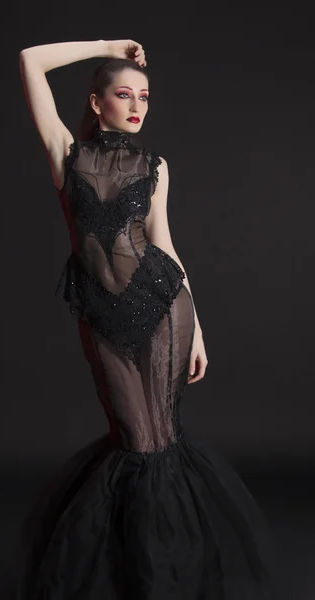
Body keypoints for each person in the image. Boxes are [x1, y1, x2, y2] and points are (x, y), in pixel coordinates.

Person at [15, 39, 277, 599]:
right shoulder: (66, 152)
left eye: (144, 97)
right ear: (96, 100)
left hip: (163, 308)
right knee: (134, 441)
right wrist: (109, 46)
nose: (137, 106)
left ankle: (166, 582)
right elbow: (30, 60)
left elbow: (165, 245)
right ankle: (130, 577)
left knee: (159, 444)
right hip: (101, 315)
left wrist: (198, 328)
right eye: (124, 94)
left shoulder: (154, 166)